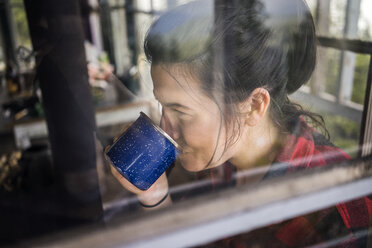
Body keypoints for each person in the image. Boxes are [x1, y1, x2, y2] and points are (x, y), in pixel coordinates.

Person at [107, 0, 372, 246]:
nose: (166, 127)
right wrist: (155, 197)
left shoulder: (330, 214)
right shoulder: (221, 159)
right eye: (163, 106)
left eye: (180, 111)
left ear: (255, 105)